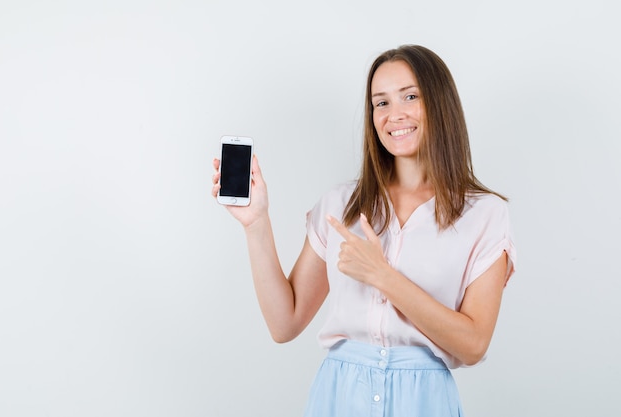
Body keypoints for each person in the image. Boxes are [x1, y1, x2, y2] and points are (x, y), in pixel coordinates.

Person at [211, 44, 516, 417]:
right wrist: (256, 223)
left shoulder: (484, 214)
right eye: (381, 103)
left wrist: (382, 275)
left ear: (440, 103)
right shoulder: (341, 205)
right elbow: (284, 323)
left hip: (424, 402)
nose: (394, 114)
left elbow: (473, 344)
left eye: (410, 96)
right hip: (338, 398)